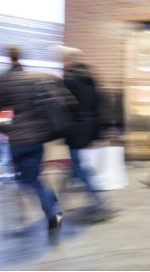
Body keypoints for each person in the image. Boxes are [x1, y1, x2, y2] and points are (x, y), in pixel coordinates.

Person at [0, 46, 72, 235]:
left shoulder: (5, 80)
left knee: (26, 180)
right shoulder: (34, 79)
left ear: (7, 60)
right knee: (35, 179)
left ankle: (43, 212)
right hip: (37, 141)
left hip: (17, 141)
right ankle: (54, 211)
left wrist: (2, 129)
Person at [60, 46, 115, 220]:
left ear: (69, 60)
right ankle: (65, 198)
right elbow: (100, 103)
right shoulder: (90, 78)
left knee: (77, 166)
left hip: (75, 128)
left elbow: (65, 106)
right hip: (89, 127)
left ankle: (99, 201)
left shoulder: (69, 80)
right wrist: (100, 130)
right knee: (74, 165)